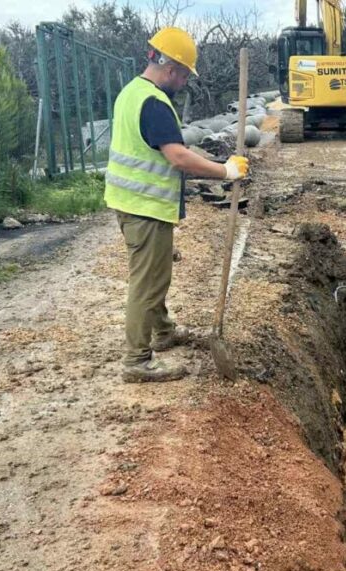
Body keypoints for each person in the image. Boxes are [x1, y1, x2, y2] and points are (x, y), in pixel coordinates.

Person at [105, 26, 249, 383]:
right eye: (185, 75)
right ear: (172, 69)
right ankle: (137, 361)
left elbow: (168, 147)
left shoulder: (131, 92)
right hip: (144, 207)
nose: (185, 83)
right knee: (148, 282)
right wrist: (225, 171)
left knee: (155, 274)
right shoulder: (154, 103)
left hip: (130, 202)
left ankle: (164, 331)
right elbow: (178, 156)